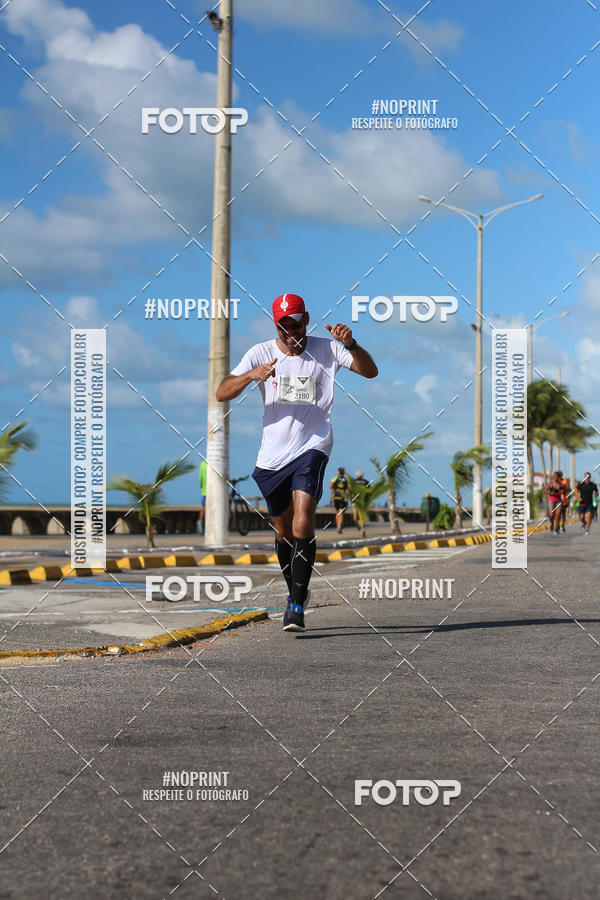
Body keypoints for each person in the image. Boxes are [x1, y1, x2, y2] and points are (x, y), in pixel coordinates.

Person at [215, 292, 378, 632]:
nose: (291, 332)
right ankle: (296, 590)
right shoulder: (260, 353)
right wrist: (251, 375)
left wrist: (351, 345)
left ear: (306, 320)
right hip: (272, 457)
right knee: (283, 531)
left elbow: (370, 371)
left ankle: (296, 606)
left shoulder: (327, 349)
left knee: (304, 518)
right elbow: (222, 392)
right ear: (276, 326)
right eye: (283, 326)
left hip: (313, 446)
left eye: (296, 324)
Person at [329, 466, 350, 534]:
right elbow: (349, 489)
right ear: (343, 472)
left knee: (337, 512)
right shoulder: (346, 480)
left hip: (336, 497)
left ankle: (338, 526)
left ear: (338, 472)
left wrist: (330, 500)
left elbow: (331, 487)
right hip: (343, 498)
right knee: (341, 512)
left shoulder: (335, 478)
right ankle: (339, 527)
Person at [197, 459, 207, 535]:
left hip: (204, 490)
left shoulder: (203, 463)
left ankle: (200, 525)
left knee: (204, 508)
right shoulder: (215, 462)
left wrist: (202, 487)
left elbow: (200, 477)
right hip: (212, 490)